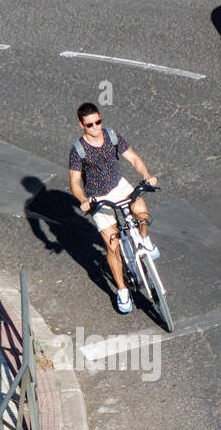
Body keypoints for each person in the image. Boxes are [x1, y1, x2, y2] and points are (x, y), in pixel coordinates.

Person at [68, 102, 160, 315]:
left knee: (142, 212)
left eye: (98, 122)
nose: (96, 127)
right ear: (81, 125)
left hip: (119, 186)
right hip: (98, 197)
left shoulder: (112, 136)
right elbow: (74, 182)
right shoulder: (78, 150)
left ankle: (144, 240)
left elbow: (133, 158)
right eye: (90, 124)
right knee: (113, 246)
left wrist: (147, 177)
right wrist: (83, 199)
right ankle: (122, 291)